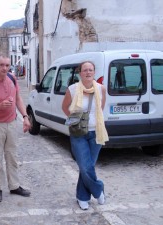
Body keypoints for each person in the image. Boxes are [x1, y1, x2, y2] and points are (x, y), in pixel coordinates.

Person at [0, 53, 31, 202]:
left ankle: (14, 186)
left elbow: (18, 98)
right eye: (1, 65)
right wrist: (0, 106)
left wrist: (25, 117)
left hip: (12, 122)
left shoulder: (12, 78)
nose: (4, 68)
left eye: (7, 65)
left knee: (12, 156)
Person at [62, 61, 109, 210]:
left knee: (88, 167)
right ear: (80, 73)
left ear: (94, 72)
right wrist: (76, 121)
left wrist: (93, 120)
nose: (88, 72)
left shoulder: (101, 89)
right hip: (78, 133)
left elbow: (100, 108)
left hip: (97, 132)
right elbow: (64, 107)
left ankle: (82, 197)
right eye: (85, 70)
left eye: (90, 70)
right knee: (84, 166)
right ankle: (98, 189)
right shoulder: (72, 89)